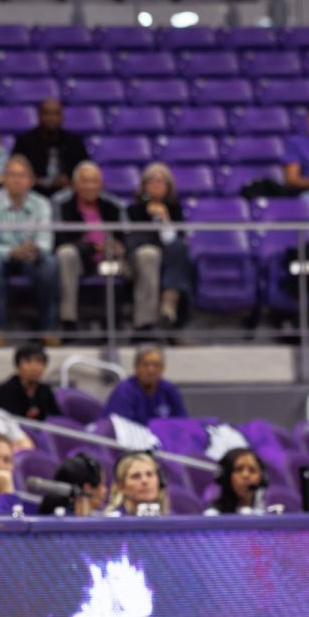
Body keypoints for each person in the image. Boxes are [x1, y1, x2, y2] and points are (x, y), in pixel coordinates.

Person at [0, 154, 57, 336]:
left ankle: (48, 329)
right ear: (4, 179)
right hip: (2, 258)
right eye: (12, 175)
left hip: (30, 258)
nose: (17, 180)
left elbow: (45, 243)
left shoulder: (42, 204)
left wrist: (34, 249)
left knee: (49, 264)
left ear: (31, 180)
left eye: (22, 175)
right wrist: (13, 251)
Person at [54, 161, 125, 332]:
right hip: (81, 259)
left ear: (101, 185)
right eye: (85, 181)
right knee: (65, 254)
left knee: (125, 262)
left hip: (110, 258)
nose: (90, 186)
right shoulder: (63, 206)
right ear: (75, 184)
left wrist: (119, 246)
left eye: (94, 181)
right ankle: (68, 321)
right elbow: (61, 240)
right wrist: (93, 248)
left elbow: (124, 236)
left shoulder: (112, 206)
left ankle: (127, 327)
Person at [125, 162, 192, 331]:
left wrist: (164, 218)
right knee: (150, 255)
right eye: (152, 181)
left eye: (161, 181)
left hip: (169, 259)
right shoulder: (134, 209)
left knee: (179, 247)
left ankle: (169, 305)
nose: (156, 184)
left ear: (168, 187)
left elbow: (174, 240)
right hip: (138, 258)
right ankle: (145, 324)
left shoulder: (174, 209)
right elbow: (134, 241)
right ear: (144, 185)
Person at [11, 98, 90, 197]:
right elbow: (15, 172)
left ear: (62, 117)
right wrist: (44, 182)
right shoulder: (24, 142)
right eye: (47, 114)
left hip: (69, 196)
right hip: (32, 194)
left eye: (56, 114)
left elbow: (85, 170)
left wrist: (69, 181)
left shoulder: (74, 142)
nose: (51, 118)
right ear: (39, 116)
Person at [102, 346, 187, 425]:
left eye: (156, 365)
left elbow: (183, 423)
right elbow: (118, 427)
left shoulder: (170, 390)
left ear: (162, 369)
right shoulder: (124, 391)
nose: (151, 370)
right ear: (136, 368)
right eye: (146, 365)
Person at [0, 344, 61, 421]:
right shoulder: (6, 391)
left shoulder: (45, 390)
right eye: (28, 361)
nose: (34, 367)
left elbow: (57, 419)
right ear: (17, 366)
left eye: (39, 361)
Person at [38, 453, 107, 516]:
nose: (105, 490)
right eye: (102, 484)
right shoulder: (56, 525)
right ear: (87, 489)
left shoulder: (95, 524)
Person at [204, 447, 268, 515]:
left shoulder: (265, 512)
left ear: (262, 477)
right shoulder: (213, 515)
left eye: (252, 470)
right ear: (226, 477)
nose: (245, 475)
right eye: (239, 469)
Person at [105, 451, 169, 515]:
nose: (145, 481)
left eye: (149, 474)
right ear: (121, 486)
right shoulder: (112, 521)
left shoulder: (169, 520)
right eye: (136, 476)